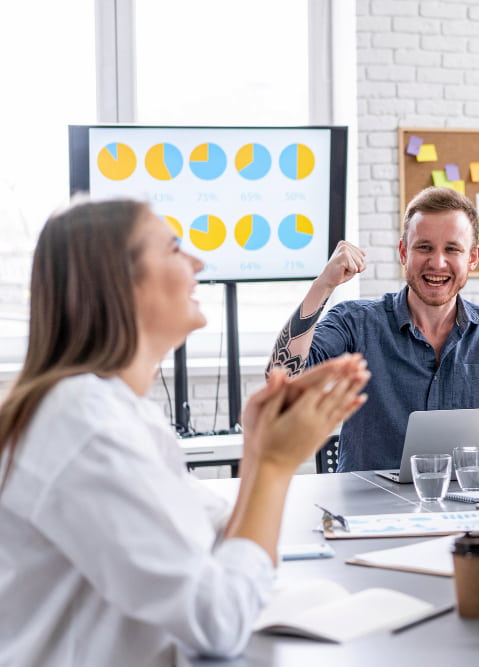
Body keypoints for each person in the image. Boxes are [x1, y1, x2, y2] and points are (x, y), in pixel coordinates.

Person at [0, 199, 370, 665]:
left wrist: (258, 448)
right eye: (175, 249)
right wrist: (276, 464)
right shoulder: (82, 423)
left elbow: (218, 535)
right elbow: (218, 621)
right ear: (121, 282)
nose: (198, 261)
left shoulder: (116, 411)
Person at [266, 186, 479, 472]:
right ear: (404, 252)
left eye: (452, 249)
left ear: (473, 257)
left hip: (461, 509)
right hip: (367, 513)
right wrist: (323, 284)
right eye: (424, 248)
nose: (437, 263)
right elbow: (282, 377)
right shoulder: (355, 321)